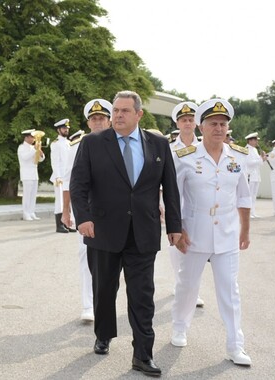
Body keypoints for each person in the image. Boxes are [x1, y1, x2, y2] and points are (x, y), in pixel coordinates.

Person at [70, 90, 182, 377]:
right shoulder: (93, 143)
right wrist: (83, 218)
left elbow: (170, 187)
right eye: (115, 111)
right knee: (104, 290)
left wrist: (174, 227)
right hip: (103, 230)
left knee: (143, 296)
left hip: (143, 232)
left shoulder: (157, 143)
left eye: (124, 111)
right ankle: (103, 334)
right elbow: (79, 184)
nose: (117, 115)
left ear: (138, 114)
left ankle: (143, 355)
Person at [171, 98, 252, 366]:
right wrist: (178, 228)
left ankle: (235, 344)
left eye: (223, 124)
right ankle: (180, 327)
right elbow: (174, 197)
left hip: (227, 234)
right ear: (201, 127)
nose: (219, 128)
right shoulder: (184, 157)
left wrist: (245, 231)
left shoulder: (238, 156)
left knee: (230, 291)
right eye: (213, 124)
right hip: (194, 234)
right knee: (188, 285)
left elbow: (244, 197)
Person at [61, 98, 112, 322]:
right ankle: (88, 305)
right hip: (87, 211)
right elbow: (68, 181)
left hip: (113, 212)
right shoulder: (77, 146)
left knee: (112, 261)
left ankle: (106, 305)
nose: (98, 122)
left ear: (109, 121)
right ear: (88, 123)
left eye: (101, 118)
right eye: (93, 119)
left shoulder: (119, 143)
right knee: (86, 258)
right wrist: (66, 211)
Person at [168, 101, 205, 308]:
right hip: (175, 205)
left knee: (196, 249)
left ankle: (193, 290)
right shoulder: (169, 148)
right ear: (177, 123)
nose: (188, 123)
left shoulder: (204, 146)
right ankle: (180, 284)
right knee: (176, 248)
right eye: (184, 120)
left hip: (198, 207)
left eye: (191, 119)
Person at [50, 118, 71, 233]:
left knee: (68, 201)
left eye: (67, 128)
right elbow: (55, 161)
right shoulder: (56, 144)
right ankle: (59, 225)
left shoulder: (68, 143)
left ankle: (67, 224)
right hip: (60, 177)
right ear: (58, 130)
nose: (66, 130)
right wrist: (57, 176)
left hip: (68, 176)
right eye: (64, 128)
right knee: (60, 201)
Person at [18, 129, 45, 221]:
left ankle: (31, 212)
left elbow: (40, 160)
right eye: (32, 137)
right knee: (27, 195)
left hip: (34, 174)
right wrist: (34, 149)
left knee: (33, 194)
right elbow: (25, 157)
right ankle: (26, 213)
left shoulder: (32, 147)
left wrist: (41, 154)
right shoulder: (21, 147)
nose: (34, 139)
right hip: (26, 174)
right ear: (26, 137)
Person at [244, 132, 266, 218]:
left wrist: (262, 157)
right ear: (250, 140)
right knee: (249, 195)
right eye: (255, 140)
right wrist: (261, 159)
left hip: (256, 175)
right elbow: (249, 162)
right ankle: (248, 213)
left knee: (254, 195)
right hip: (250, 175)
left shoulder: (255, 149)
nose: (257, 142)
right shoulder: (247, 149)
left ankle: (252, 212)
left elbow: (258, 162)